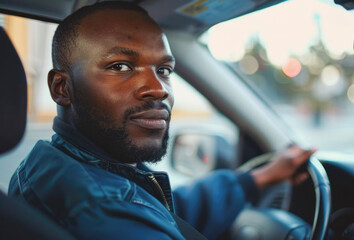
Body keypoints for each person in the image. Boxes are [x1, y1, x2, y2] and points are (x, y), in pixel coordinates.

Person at [8, 2, 315, 239]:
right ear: (62, 88)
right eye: (120, 66)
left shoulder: (53, 162)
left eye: (165, 70)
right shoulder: (105, 210)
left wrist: (259, 178)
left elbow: (162, 210)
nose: (158, 89)